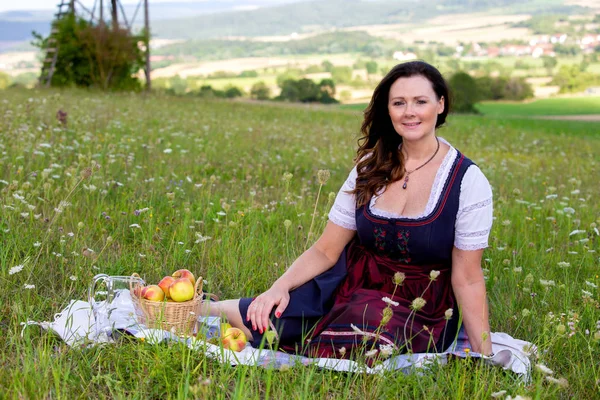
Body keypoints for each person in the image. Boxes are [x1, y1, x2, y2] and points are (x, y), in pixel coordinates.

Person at [201, 60, 494, 359]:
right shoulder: (370, 167)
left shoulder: (466, 180)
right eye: (399, 103)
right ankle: (196, 307)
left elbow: (467, 277)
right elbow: (326, 250)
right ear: (388, 109)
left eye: (420, 101)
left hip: (420, 304)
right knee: (263, 317)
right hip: (350, 282)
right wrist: (280, 286)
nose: (409, 112)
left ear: (440, 104)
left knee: (369, 340)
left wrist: (486, 355)